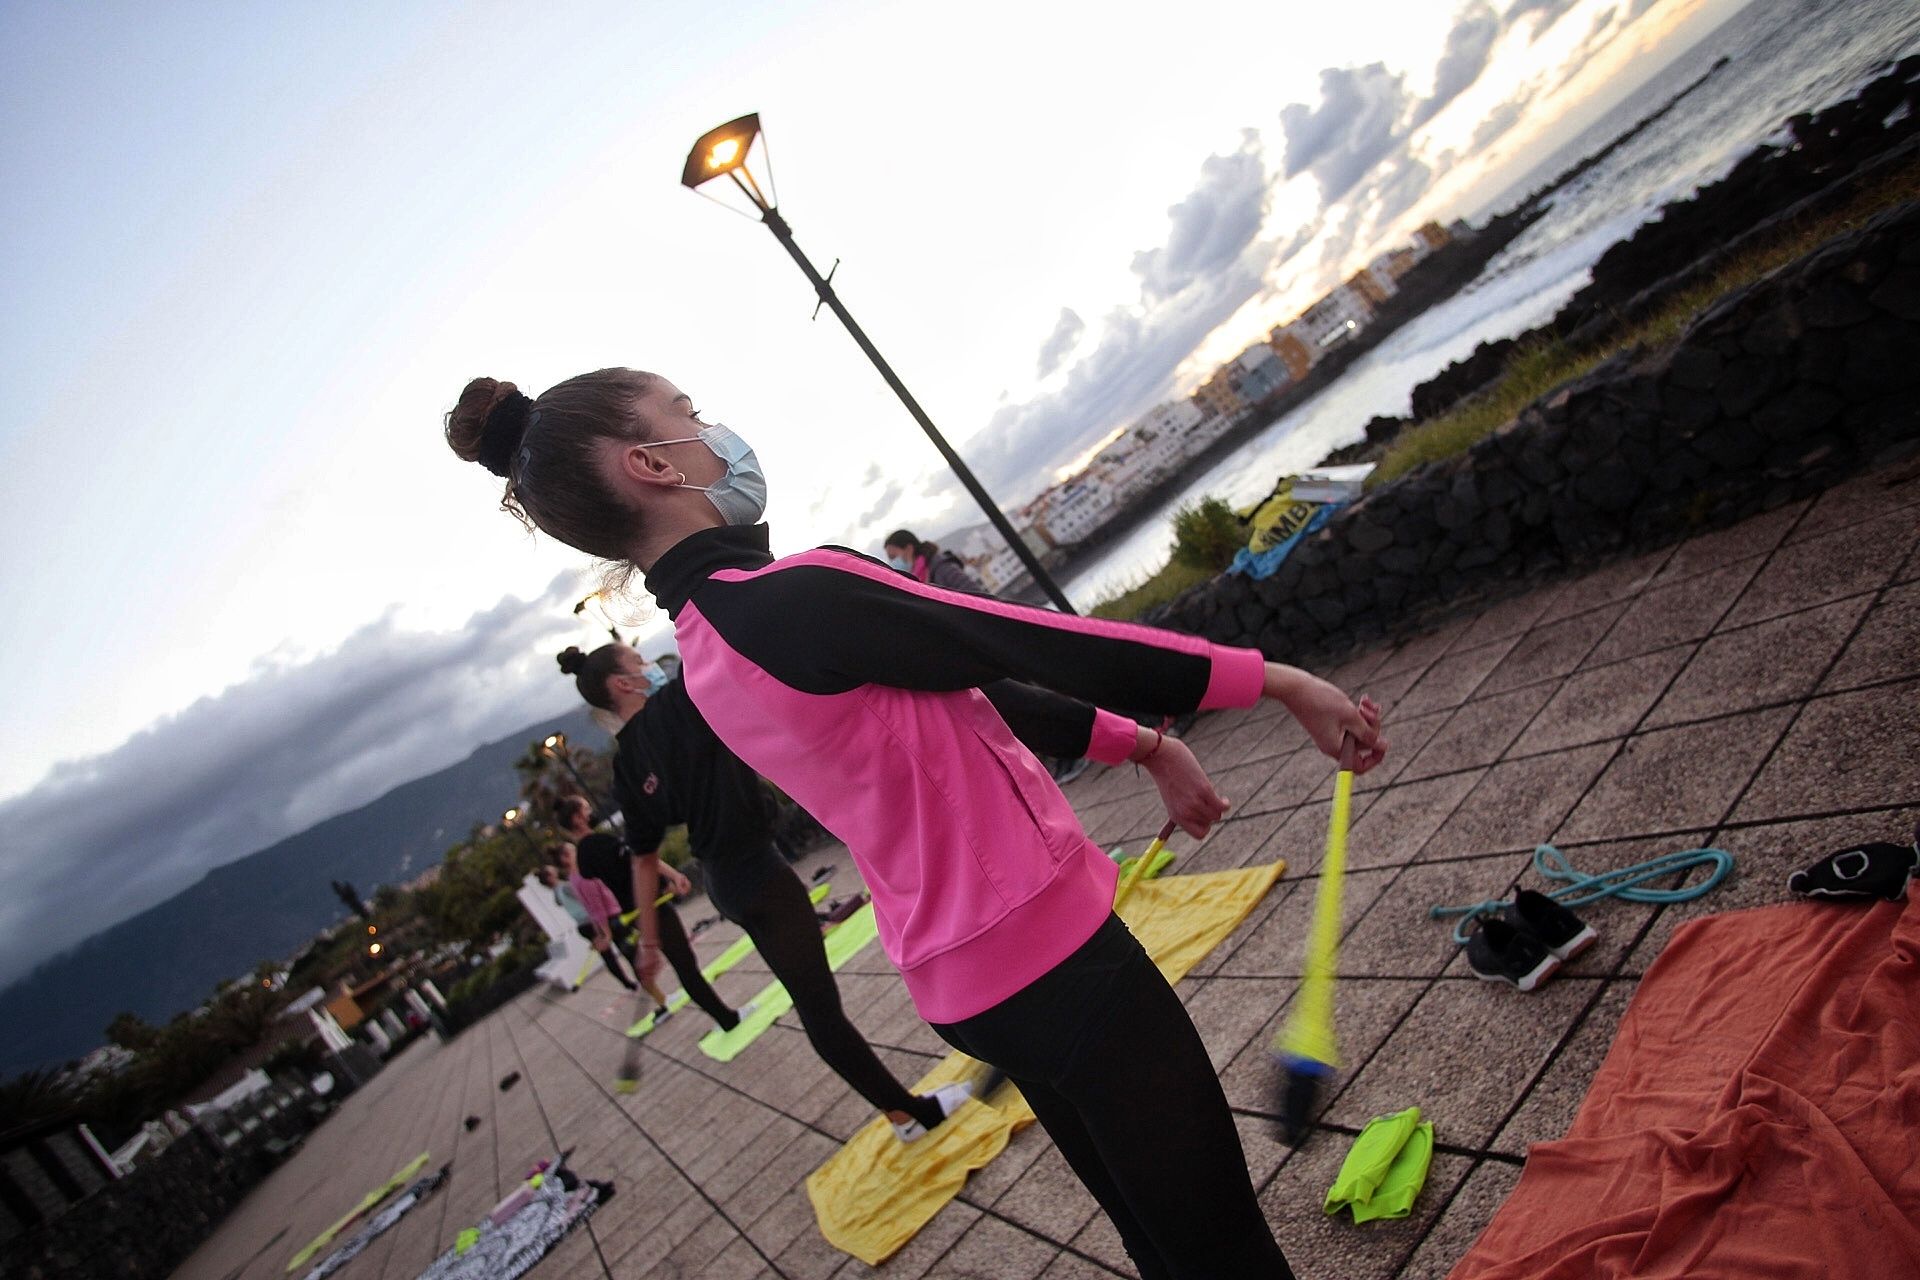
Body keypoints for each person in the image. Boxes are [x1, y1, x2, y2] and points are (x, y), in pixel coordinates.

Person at [445, 369, 1385, 1280]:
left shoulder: (707, 649)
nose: (714, 429)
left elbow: (963, 684)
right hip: (1053, 961)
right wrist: (1277, 681)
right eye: (689, 412)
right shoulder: (788, 596)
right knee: (1224, 1250)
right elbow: (1024, 640)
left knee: (1161, 1240)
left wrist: (1140, 746)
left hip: (969, 985)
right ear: (652, 463)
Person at [558, 642, 975, 1140]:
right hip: (756, 874)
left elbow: (644, 861)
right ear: (624, 684)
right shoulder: (678, 705)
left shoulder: (627, 767)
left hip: (725, 880)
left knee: (815, 1002)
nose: (651, 667)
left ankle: (903, 1112)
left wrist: (649, 945)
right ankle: (910, 1115)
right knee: (819, 1007)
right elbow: (711, 650)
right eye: (638, 663)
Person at [552, 794, 748, 1034]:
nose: (591, 811)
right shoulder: (598, 844)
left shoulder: (584, 856)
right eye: (586, 808)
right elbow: (641, 859)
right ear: (578, 818)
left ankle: (725, 1017)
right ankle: (727, 1019)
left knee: (684, 963)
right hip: (648, 904)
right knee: (685, 965)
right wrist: (673, 875)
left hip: (635, 909)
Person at [536, 858, 642, 995]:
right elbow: (585, 900)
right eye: (552, 870)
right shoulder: (566, 887)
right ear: (550, 877)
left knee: (607, 956)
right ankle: (640, 976)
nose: (555, 869)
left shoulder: (556, 894)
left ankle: (627, 983)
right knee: (622, 945)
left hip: (582, 926)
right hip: (592, 921)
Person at [882, 529, 987, 593]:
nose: (893, 563)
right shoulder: (918, 578)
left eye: (893, 557)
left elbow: (975, 595)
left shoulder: (940, 566)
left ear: (909, 549)